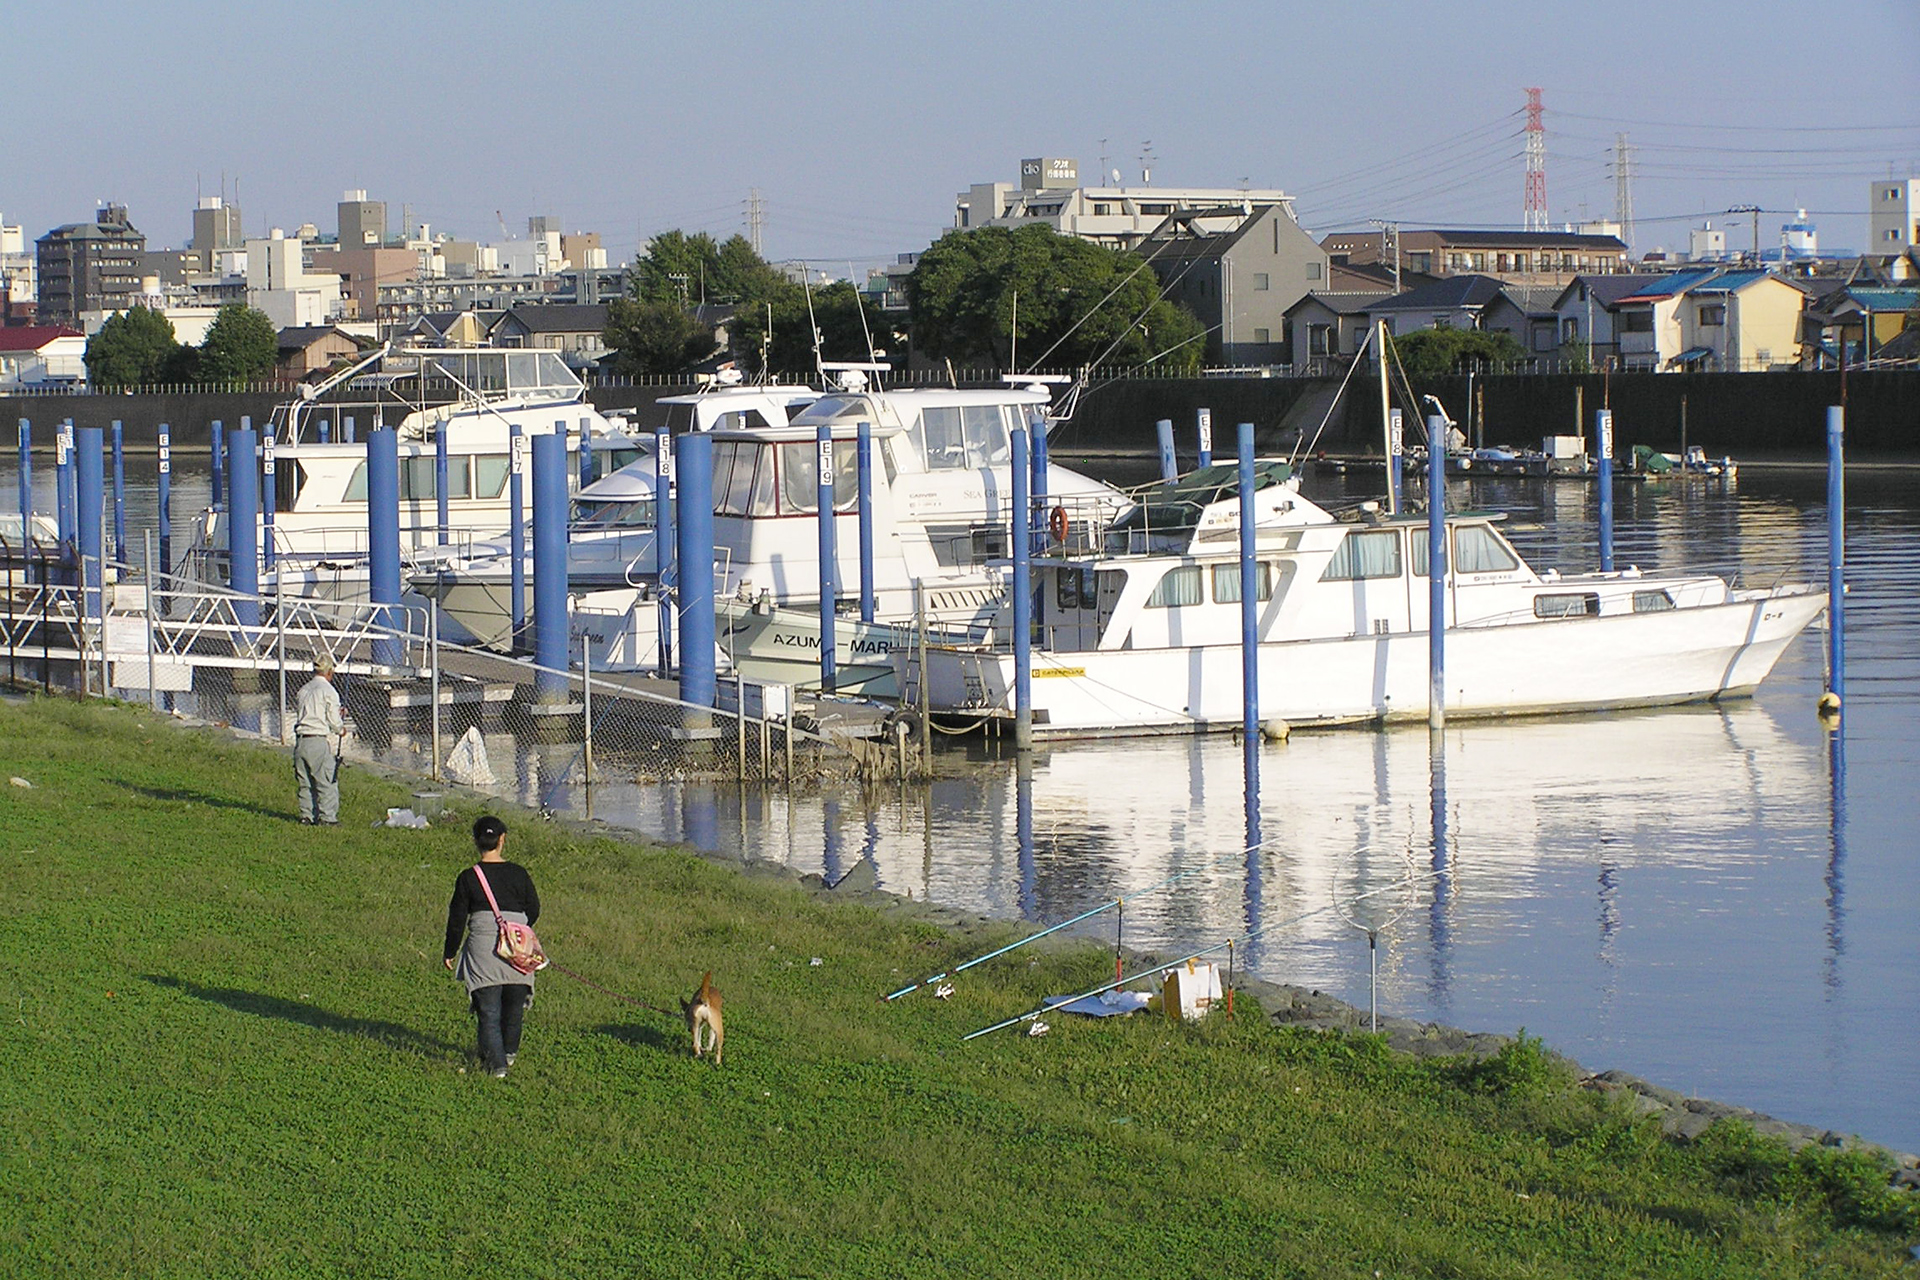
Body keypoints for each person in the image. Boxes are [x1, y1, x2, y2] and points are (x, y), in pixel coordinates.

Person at [444, 816, 540, 1078]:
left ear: (475, 841)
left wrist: (450, 951)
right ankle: (508, 1056)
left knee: (488, 1010)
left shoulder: (468, 877)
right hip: (517, 948)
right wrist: (516, 933)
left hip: (483, 949)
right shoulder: (519, 873)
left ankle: (496, 1067)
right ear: (502, 840)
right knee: (513, 1007)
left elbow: (457, 919)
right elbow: (534, 909)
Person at [292, 655, 345, 825]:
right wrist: (341, 729)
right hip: (317, 741)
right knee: (326, 782)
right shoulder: (329, 691)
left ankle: (306, 816)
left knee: (305, 783)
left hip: (301, 741)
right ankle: (327, 818)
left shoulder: (304, 690)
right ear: (329, 671)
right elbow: (334, 721)